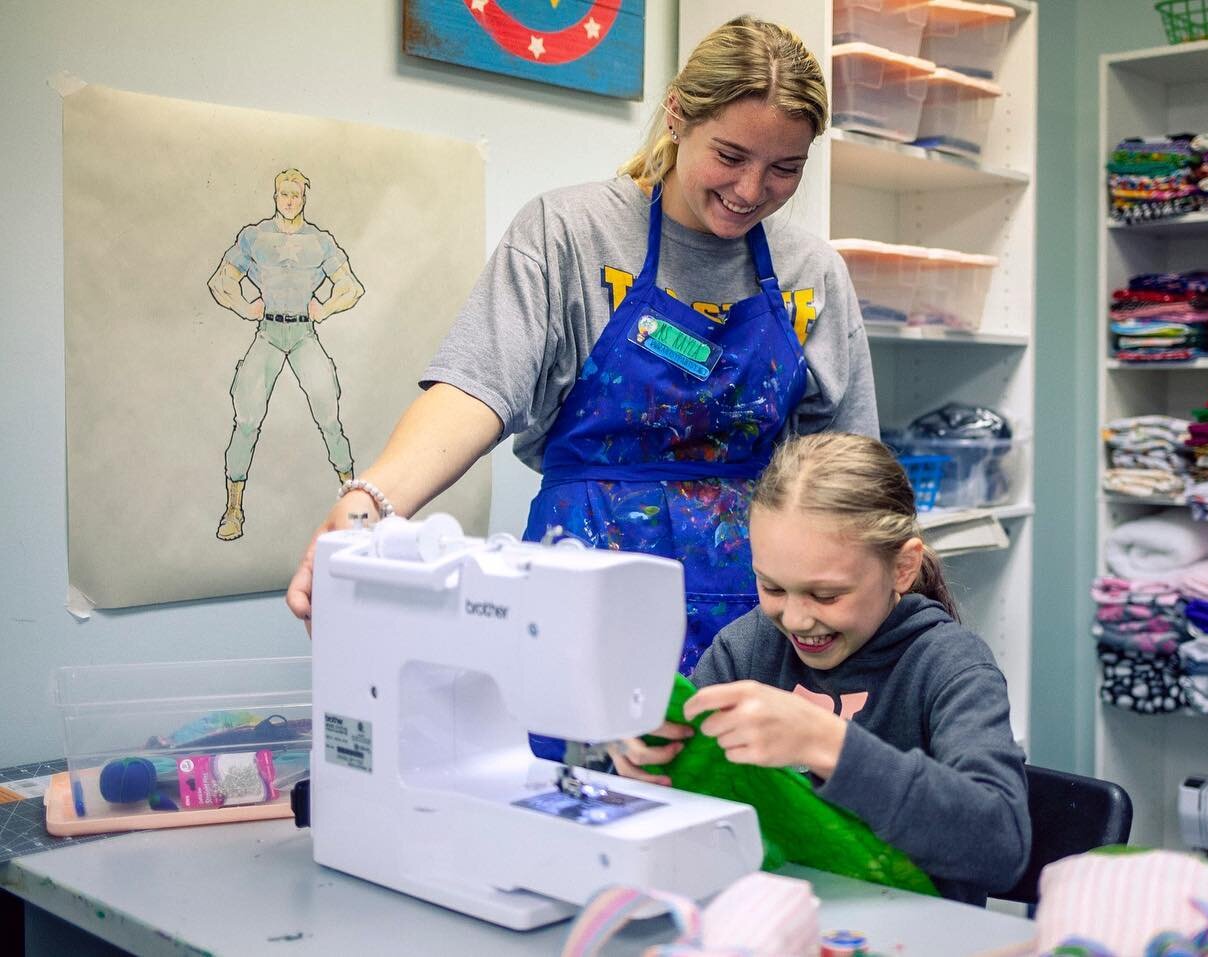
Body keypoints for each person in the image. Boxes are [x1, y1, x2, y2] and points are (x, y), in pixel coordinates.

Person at [285, 16, 879, 744]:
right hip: (582, 600)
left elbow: (853, 479)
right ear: (677, 115)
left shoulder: (812, 273)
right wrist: (369, 502)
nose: (752, 188)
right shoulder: (568, 233)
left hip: (763, 616)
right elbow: (476, 388)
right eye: (730, 154)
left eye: (785, 168)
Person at [608, 433, 1031, 905]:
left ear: (902, 568)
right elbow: (682, 812)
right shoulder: (747, 648)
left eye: (826, 595)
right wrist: (638, 769)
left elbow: (1000, 844)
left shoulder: (948, 664)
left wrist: (827, 742)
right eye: (771, 587)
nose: (795, 619)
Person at [208, 168, 365, 541]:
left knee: (330, 418)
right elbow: (220, 281)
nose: (289, 200)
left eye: (295, 193)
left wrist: (324, 309)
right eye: (283, 193)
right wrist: (246, 308)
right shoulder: (256, 237)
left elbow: (352, 287)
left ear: (304, 197)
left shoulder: (320, 242)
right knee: (246, 420)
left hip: (303, 333)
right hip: (268, 332)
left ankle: (357, 505)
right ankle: (233, 509)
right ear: (275, 196)